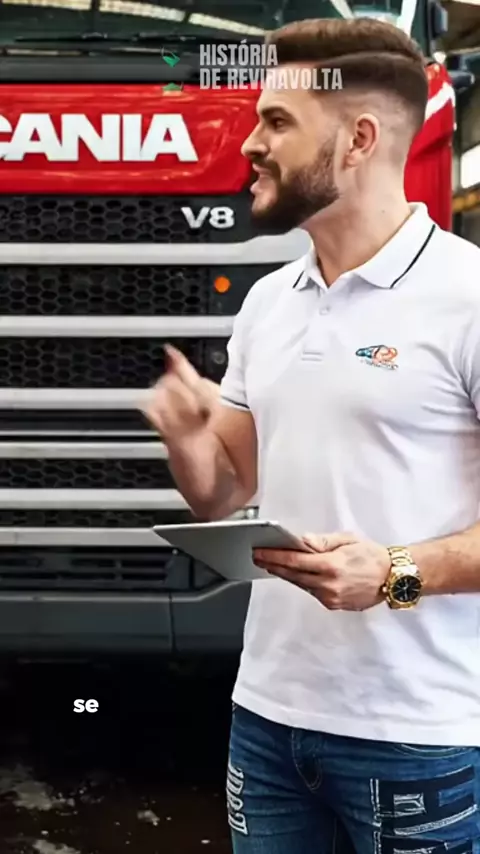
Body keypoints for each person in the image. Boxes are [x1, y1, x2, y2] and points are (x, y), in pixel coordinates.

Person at [143, 16, 480, 854]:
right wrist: (188, 438)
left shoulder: (467, 300)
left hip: (420, 736)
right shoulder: (270, 303)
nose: (250, 144)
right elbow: (223, 490)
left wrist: (395, 573)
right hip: (266, 720)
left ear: (359, 139)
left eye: (277, 121)